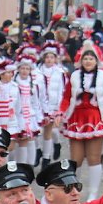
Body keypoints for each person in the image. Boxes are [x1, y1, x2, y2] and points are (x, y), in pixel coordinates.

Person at [58, 40, 103, 201]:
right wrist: (60, 112)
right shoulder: (74, 76)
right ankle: (74, 190)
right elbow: (66, 97)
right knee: (75, 158)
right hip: (75, 118)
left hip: (96, 118)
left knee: (94, 157)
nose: (88, 61)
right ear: (81, 60)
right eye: (85, 58)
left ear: (96, 60)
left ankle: (93, 193)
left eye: (91, 58)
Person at [38, 41, 67, 169]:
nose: (49, 60)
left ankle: (46, 157)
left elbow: (62, 90)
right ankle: (42, 150)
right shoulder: (38, 71)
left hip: (53, 105)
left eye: (52, 57)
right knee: (39, 131)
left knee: (48, 131)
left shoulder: (60, 73)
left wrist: (59, 108)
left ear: (55, 59)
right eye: (47, 57)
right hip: (40, 105)